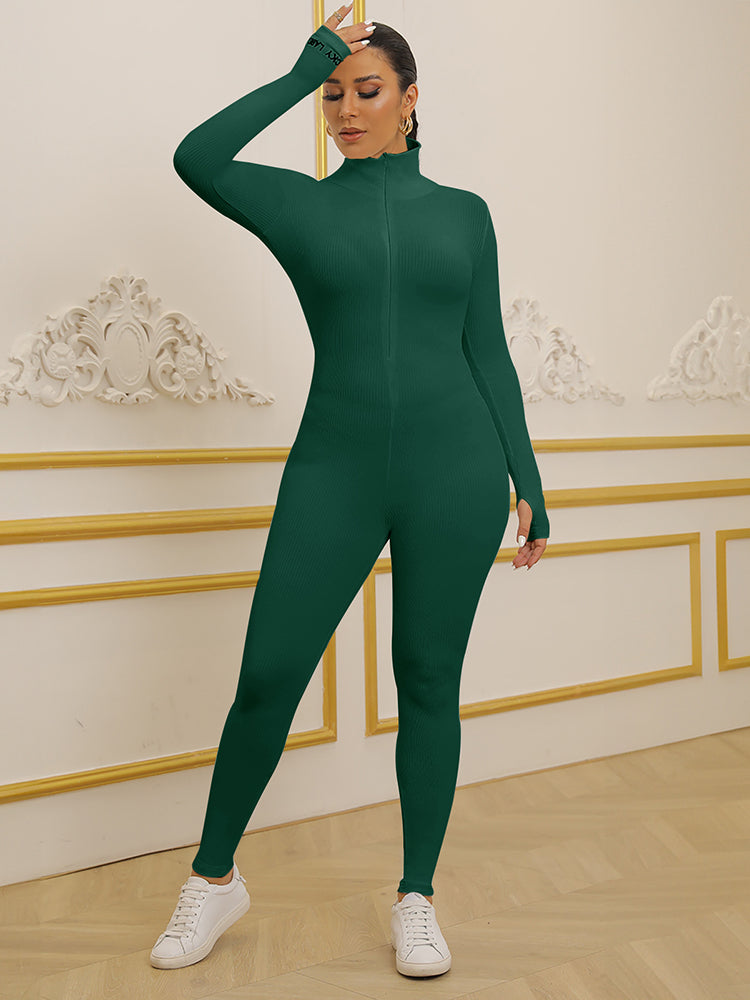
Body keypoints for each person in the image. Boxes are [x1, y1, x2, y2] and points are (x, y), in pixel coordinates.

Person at [151, 3, 549, 977]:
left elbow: (488, 350)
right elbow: (197, 158)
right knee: (267, 676)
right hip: (335, 467)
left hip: (457, 470)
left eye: (366, 90)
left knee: (428, 680)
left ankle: (417, 896)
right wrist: (302, 70)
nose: (346, 109)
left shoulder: (465, 214)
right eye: (332, 96)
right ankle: (213, 878)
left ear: (410, 99)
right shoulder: (300, 205)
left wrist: (529, 479)